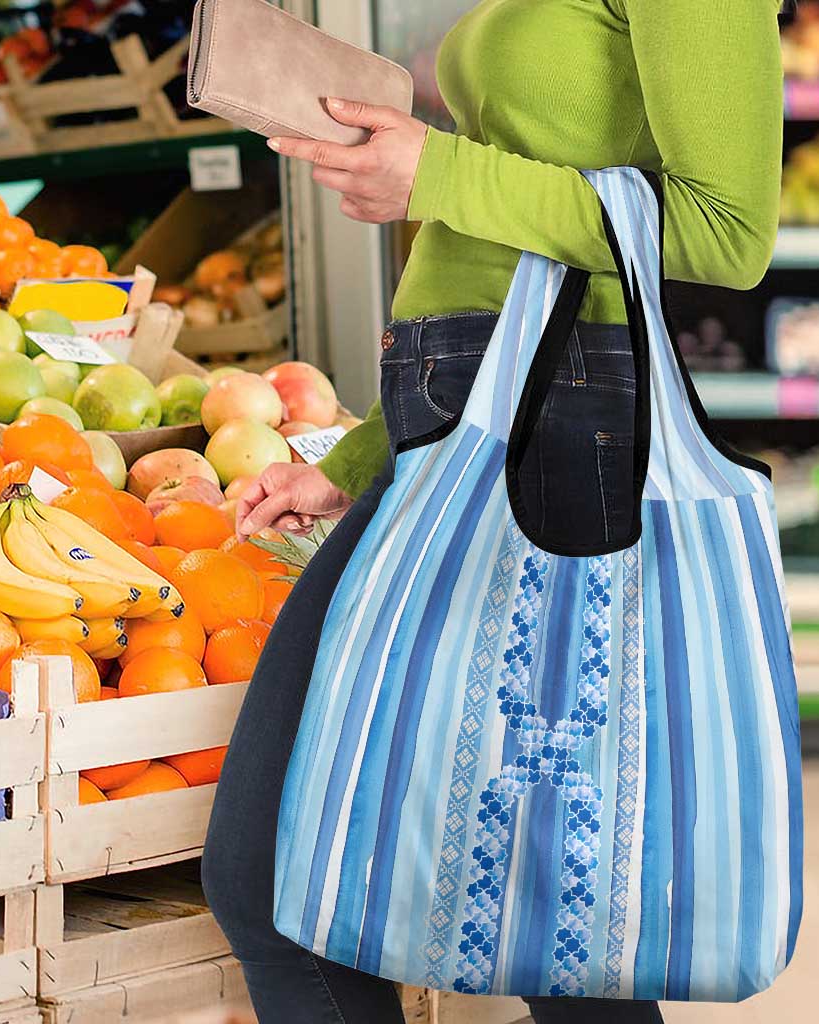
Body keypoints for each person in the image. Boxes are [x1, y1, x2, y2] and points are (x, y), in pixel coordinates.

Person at [202, 2, 787, 1021]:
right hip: (470, 429)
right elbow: (501, 242)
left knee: (534, 924)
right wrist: (360, 457)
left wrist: (437, 172)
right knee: (548, 925)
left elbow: (728, 230)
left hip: (560, 436)